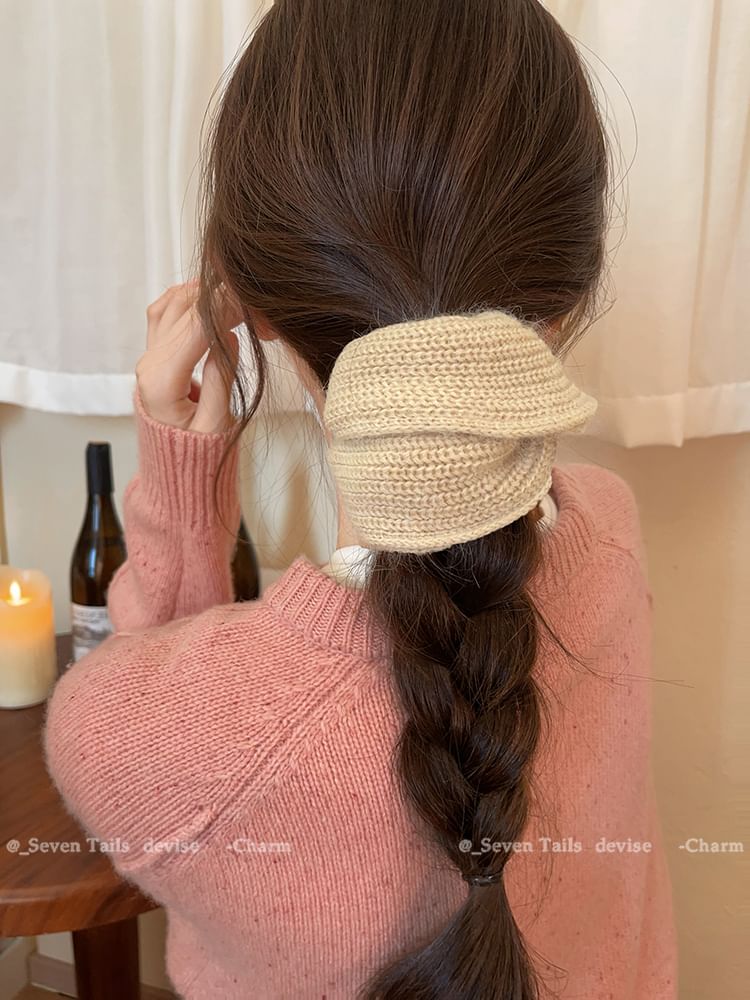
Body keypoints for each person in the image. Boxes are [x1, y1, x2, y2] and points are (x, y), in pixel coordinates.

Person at [43, 1, 678, 997]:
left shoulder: (124, 732)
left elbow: (166, 734)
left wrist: (182, 478)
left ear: (249, 306)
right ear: (562, 305)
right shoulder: (610, 535)